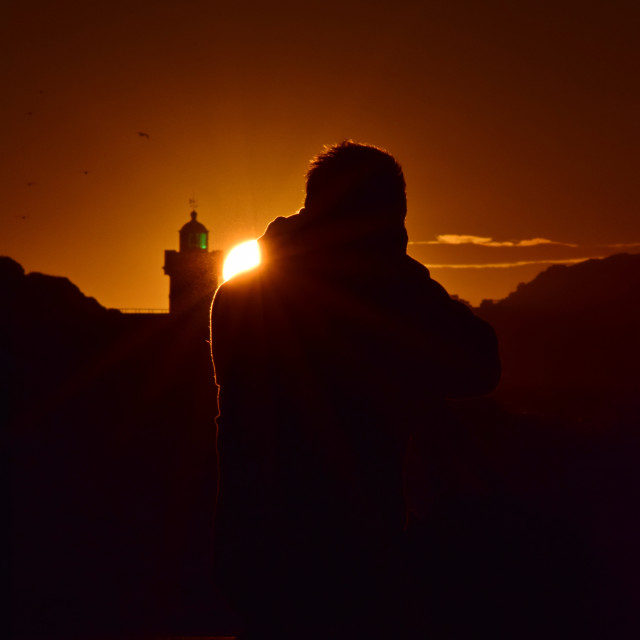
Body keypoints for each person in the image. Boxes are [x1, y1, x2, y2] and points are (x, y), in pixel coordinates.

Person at [210, 141, 501, 638]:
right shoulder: (386, 297)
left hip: (253, 548)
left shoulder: (239, 292)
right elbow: (479, 365)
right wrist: (400, 271)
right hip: (352, 554)